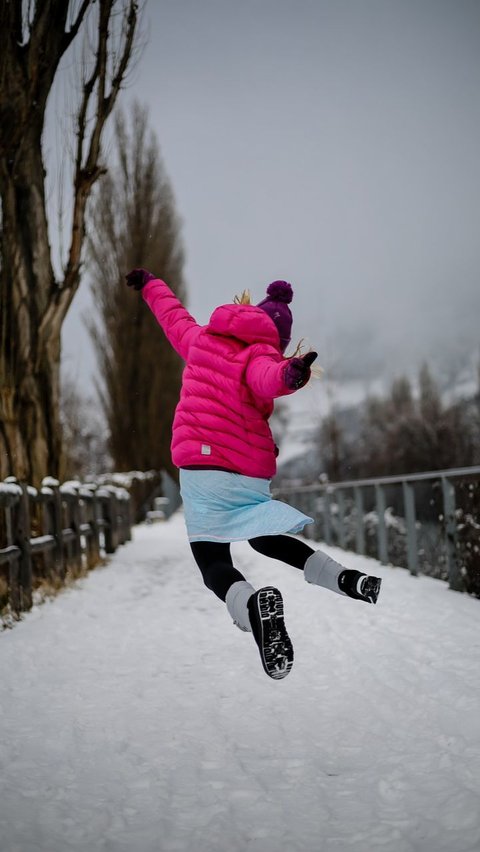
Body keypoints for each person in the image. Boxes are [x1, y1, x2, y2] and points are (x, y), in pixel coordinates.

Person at [125, 269, 382, 680]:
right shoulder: (260, 355)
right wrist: (290, 374)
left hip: (201, 470)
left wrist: (150, 284)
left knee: (212, 561)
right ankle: (344, 578)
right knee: (265, 538)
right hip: (247, 473)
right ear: (275, 339)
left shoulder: (202, 339)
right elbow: (269, 378)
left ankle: (252, 610)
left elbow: (173, 316)